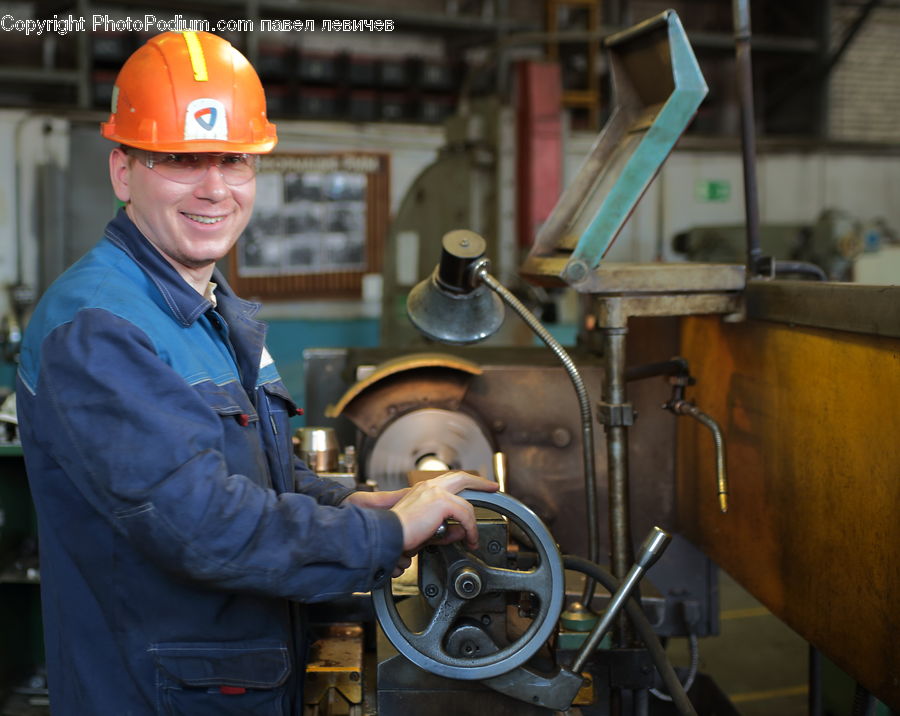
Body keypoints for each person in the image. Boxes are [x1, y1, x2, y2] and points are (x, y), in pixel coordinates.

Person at [16, 31, 497, 715]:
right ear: (123, 170)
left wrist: (349, 505)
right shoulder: (99, 328)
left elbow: (246, 471)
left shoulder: (204, 307)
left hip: (228, 679)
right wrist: (385, 537)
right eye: (183, 161)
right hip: (153, 694)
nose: (214, 189)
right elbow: (200, 525)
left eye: (234, 160)